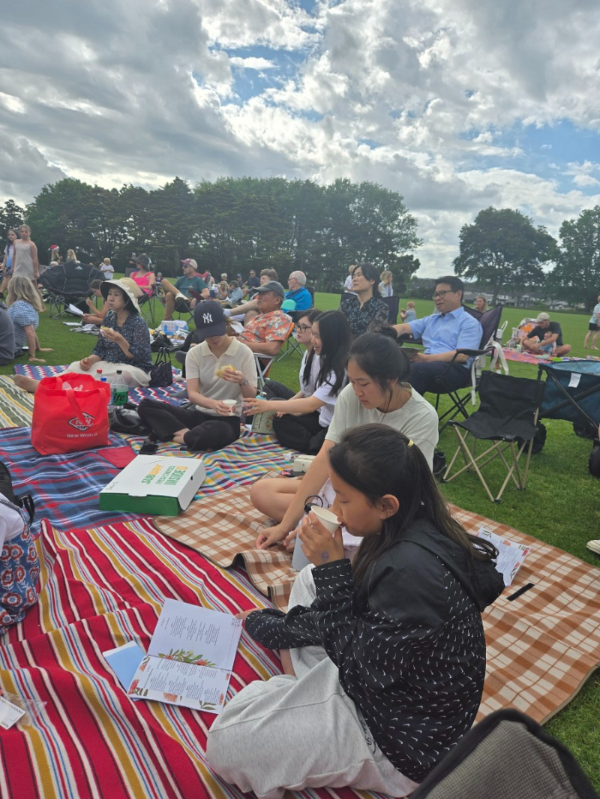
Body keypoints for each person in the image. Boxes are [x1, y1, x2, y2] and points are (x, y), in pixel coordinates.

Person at [207, 425, 503, 798]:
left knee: (226, 743)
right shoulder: (407, 526)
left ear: (386, 505)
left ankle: (295, 691)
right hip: (381, 672)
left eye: (343, 501)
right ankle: (302, 688)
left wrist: (330, 571)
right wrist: (273, 619)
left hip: (398, 740)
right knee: (310, 579)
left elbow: (363, 672)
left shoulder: (410, 574)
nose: (335, 512)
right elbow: (358, 617)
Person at [251, 332, 439, 550]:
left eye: (364, 383)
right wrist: (285, 526)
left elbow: (407, 489)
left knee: (379, 539)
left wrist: (326, 520)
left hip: (378, 503)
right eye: (352, 381)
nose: (357, 391)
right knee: (261, 492)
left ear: (391, 379)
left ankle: (338, 534)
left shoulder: (422, 416)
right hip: (342, 489)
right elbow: (325, 457)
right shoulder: (350, 395)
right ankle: (331, 528)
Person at [137, 301, 257, 451]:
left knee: (209, 433)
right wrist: (213, 404)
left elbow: (251, 396)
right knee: (146, 405)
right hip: (199, 414)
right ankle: (188, 436)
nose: (213, 338)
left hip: (227, 419)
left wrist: (242, 381)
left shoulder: (244, 352)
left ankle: (174, 435)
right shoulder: (195, 353)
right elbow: (193, 394)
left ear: (225, 324)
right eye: (208, 334)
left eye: (216, 331)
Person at [14, 279, 153, 393]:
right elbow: (100, 350)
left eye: (116, 295)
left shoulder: (138, 323)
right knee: (76, 367)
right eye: (110, 294)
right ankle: (45, 384)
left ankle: (63, 390)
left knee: (120, 375)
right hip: (110, 363)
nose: (110, 298)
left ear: (127, 299)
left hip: (134, 369)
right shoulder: (110, 319)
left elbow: (140, 357)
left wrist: (120, 340)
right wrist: (90, 360)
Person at [245, 311, 352, 454]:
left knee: (280, 414)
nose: (313, 340)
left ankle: (314, 446)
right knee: (280, 412)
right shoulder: (322, 357)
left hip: (332, 427)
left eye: (317, 336)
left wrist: (269, 405)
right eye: (312, 334)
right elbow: (309, 397)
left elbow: (311, 404)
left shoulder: (339, 370)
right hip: (322, 418)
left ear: (332, 338)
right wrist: (289, 407)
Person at [391, 276, 482, 396]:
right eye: (436, 294)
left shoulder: (469, 323)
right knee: (386, 364)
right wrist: (388, 332)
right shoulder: (432, 319)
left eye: (442, 293)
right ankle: (382, 405)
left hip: (454, 369)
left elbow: (462, 356)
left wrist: (425, 359)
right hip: (428, 365)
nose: (437, 298)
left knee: (413, 370)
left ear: (458, 294)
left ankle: (402, 407)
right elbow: (404, 327)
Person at [237, 281, 293, 356]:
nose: (258, 297)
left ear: (277, 300)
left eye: (263, 294)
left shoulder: (280, 319)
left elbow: (272, 348)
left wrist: (240, 344)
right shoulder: (259, 317)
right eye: (259, 293)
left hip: (250, 358)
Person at [6, 276, 51, 363]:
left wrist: (35, 351)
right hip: (8, 347)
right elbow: (30, 331)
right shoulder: (23, 305)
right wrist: (32, 356)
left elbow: (31, 331)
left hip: (8, 346)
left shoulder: (21, 306)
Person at [340, 263, 389, 337]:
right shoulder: (346, 304)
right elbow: (336, 329)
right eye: (353, 276)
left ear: (372, 280)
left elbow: (370, 336)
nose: (354, 279)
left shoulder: (381, 308)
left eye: (359, 275)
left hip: (366, 344)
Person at [0, 229, 17, 296]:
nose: (10, 236)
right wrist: (3, 267)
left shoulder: (18, 245)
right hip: (8, 265)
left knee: (10, 279)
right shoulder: (8, 246)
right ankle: (1, 292)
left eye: (12, 235)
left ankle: (10, 293)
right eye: (9, 235)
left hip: (15, 265)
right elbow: (5, 257)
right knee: (6, 278)